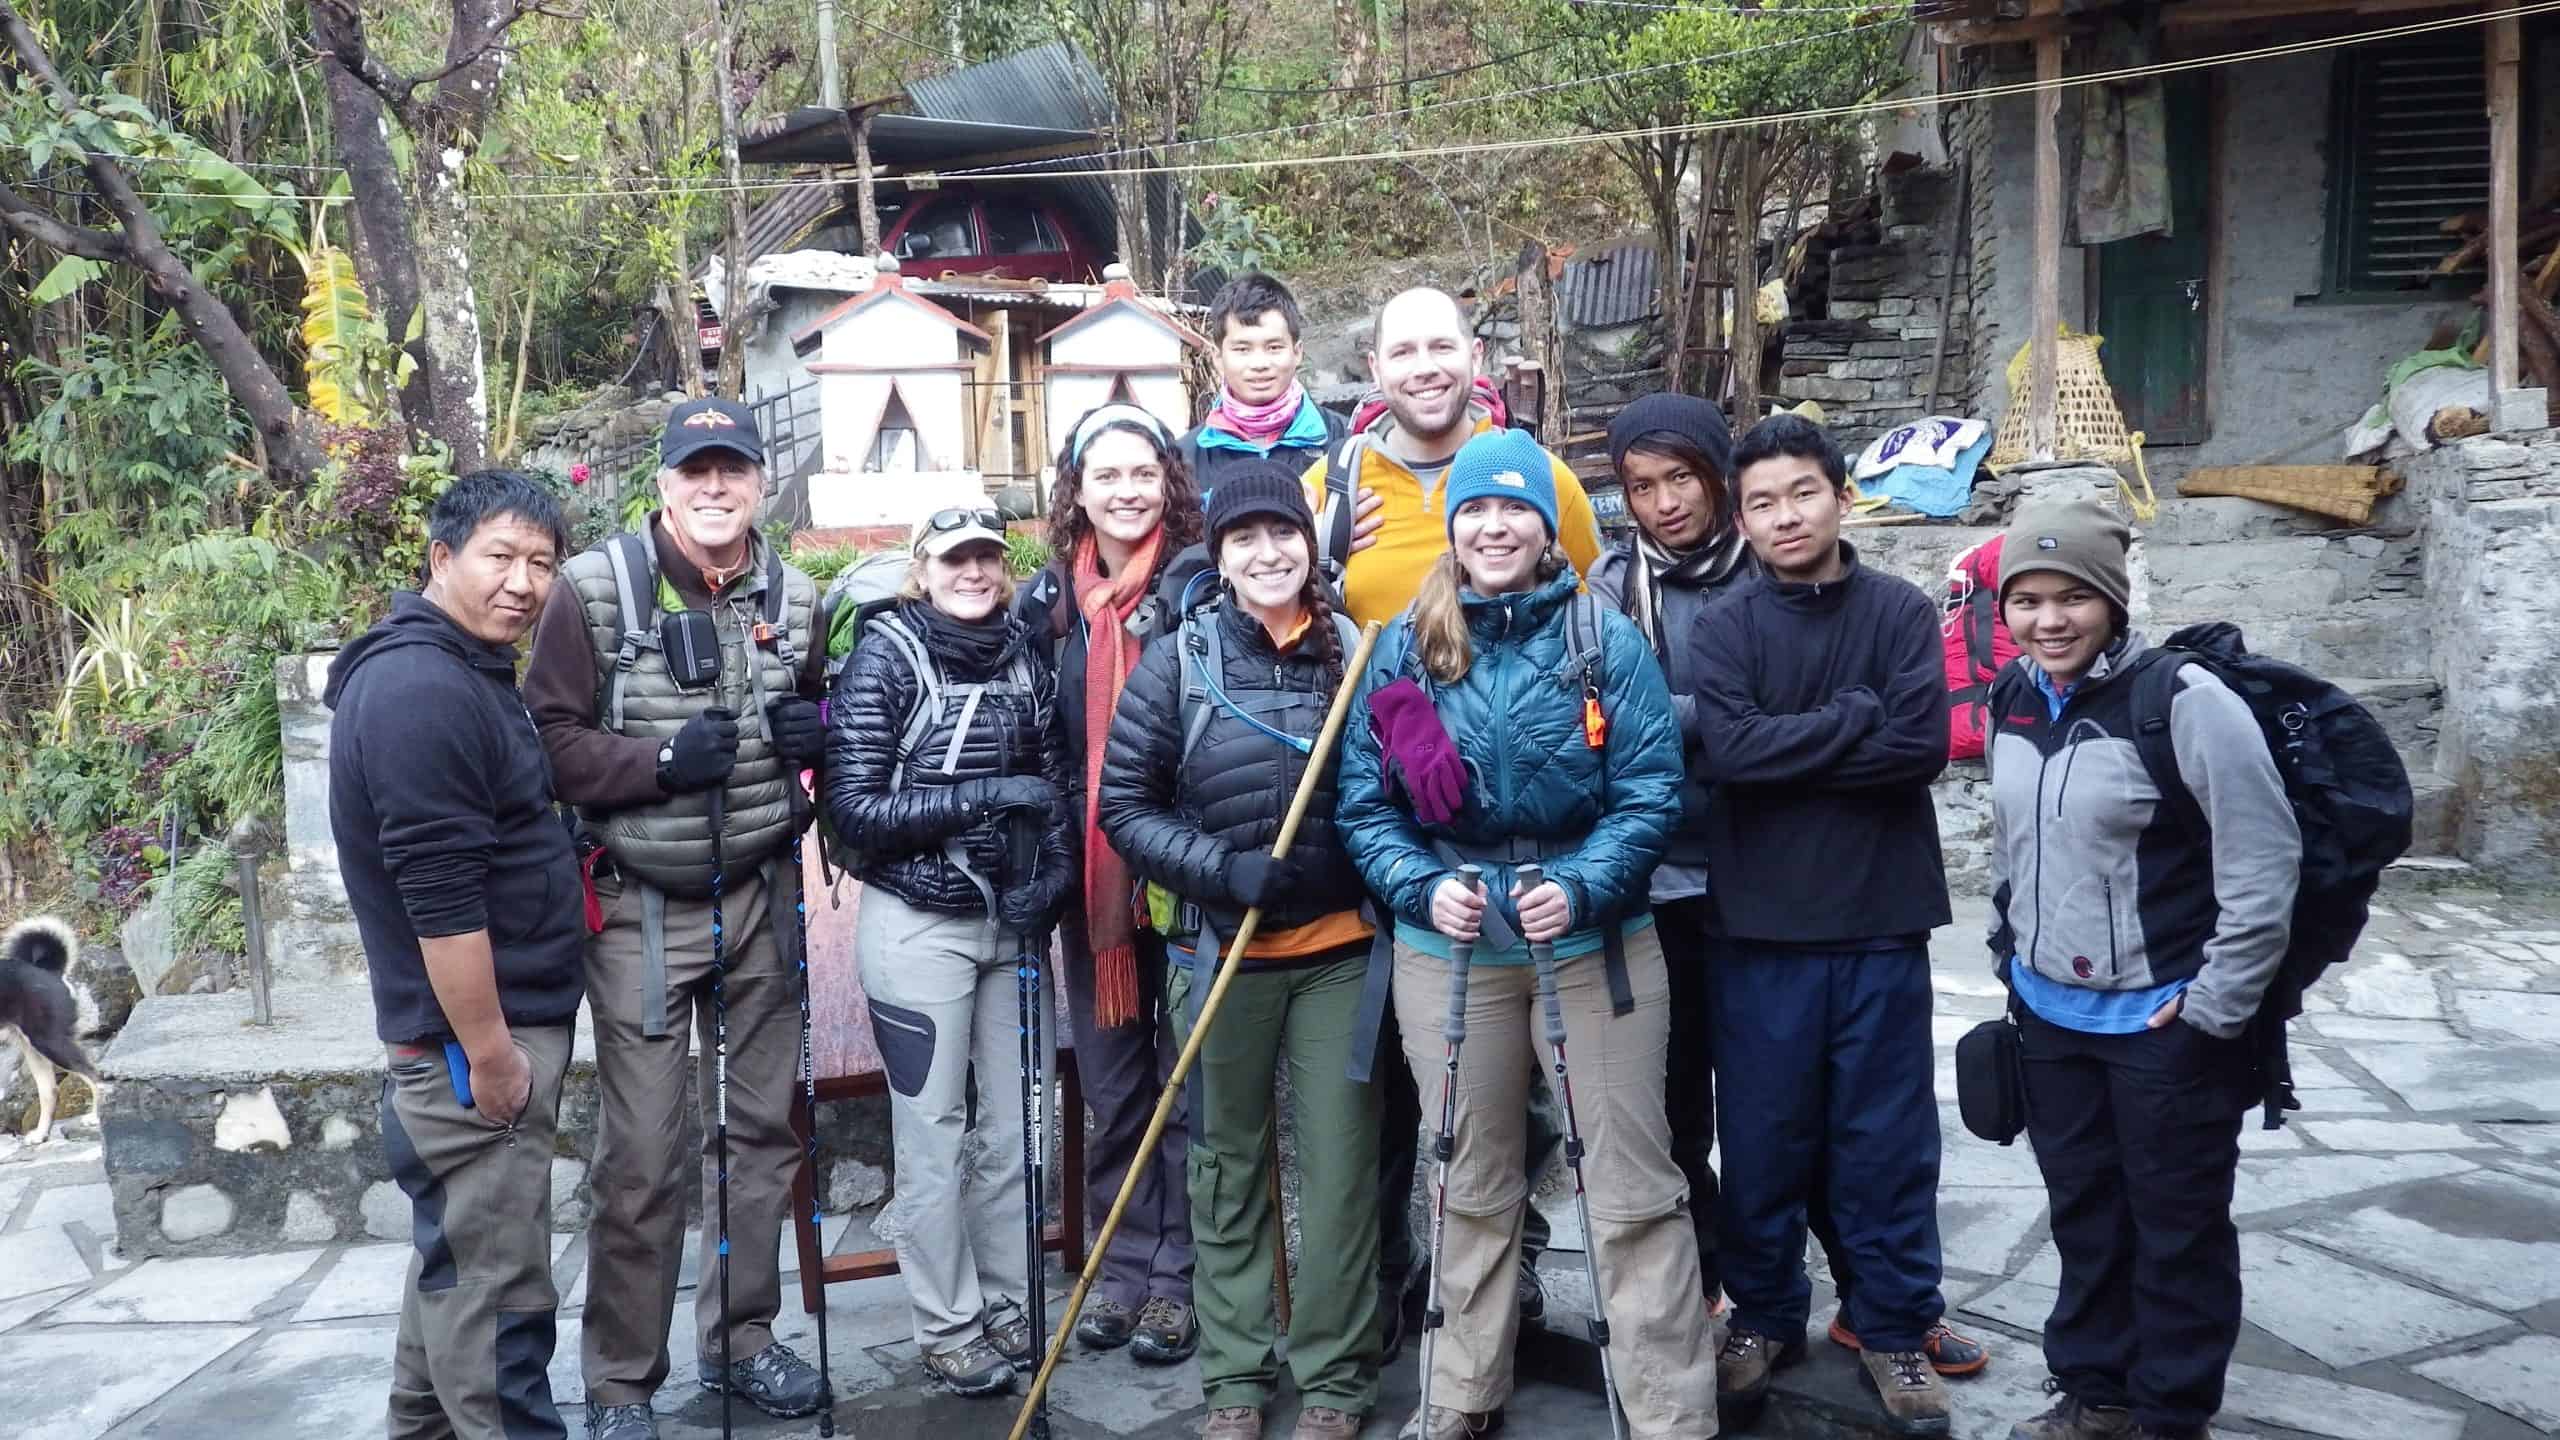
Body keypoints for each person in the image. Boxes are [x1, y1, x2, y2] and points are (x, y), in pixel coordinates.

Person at [1338, 427, 1716, 1440]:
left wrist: (1586, 883)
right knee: (1466, 1177)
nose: (1495, 525)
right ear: (1451, 525)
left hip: (1595, 945)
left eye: (1515, 508)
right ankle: (1461, 1392)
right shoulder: (1405, 647)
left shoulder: (1601, 639)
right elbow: (1368, 811)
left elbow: (1647, 793)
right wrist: (1420, 888)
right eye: (1475, 508)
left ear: (1547, 526)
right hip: (1453, 952)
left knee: (1633, 1186)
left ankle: (1670, 1411)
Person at [1302, 286, 1607, 1343]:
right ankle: (1395, 1274)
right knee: (1390, 1068)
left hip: (1515, 814)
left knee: (1506, 1078)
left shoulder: (1537, 475)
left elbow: (1588, 619)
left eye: (1442, 344)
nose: (1424, 365)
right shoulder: (1335, 480)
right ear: (1373, 367)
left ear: (1472, 356)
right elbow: (1288, 605)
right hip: (1375, 801)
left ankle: (1500, 1274)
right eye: (1402, 349)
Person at [524, 398, 830, 1439]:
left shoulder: (797, 596)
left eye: (732, 470)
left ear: (757, 481)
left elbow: (821, 721)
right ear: (661, 485)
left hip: (756, 893)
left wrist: (814, 734)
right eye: (694, 471)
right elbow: (548, 740)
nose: (714, 488)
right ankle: (620, 1383)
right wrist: (653, 765)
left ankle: (743, 1343)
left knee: (761, 1140)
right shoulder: (594, 592)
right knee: (644, 1154)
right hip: (638, 904)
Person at [1985, 498, 2298, 1440]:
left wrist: (2215, 1007)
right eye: (2028, 600)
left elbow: (2263, 859)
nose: (2049, 620)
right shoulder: (2012, 697)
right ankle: (2097, 1391)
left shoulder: (2185, 702)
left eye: (2072, 597)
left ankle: (2169, 1412)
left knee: (2177, 1228)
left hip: (2163, 1024)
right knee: (2084, 1213)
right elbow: (2012, 843)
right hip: (2051, 1018)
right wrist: (2010, 951)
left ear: (2113, 602)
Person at [1686, 413, 1956, 1438]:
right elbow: (1735, 756)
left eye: (1801, 492)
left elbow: (1919, 746)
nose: (1783, 515)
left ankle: (1891, 1326)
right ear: (1742, 520)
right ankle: (1761, 1317)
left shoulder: (1895, 612)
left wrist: (1791, 744)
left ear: (1839, 495)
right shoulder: (1725, 627)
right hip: (1756, 930)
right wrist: (1851, 718)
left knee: (1885, 1140)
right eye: (1760, 502)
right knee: (1761, 1138)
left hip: (1881, 921)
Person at [1098, 462, 1381, 1440]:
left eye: (1283, 534)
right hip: (1219, 956)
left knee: (1341, 1175)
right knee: (1224, 1170)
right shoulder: (1177, 662)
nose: (1268, 553)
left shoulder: (1354, 648)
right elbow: (1123, 807)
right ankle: (1234, 1379)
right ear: (1217, 556)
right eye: (1244, 538)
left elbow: (1395, 789)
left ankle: (1338, 1380)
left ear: (1311, 545)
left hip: (1341, 955)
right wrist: (1221, 868)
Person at [327, 470, 585, 1440]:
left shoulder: (466, 669)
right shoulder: (419, 690)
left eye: (541, 563)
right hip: (467, 1052)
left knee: (457, 1276)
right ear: (442, 559)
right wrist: (489, 1052)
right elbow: (440, 901)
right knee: (502, 1309)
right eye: (499, 557)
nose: (522, 583)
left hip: (478, 1041)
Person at [823, 508, 1075, 1396]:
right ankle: (947, 1322)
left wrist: (1053, 876)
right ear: (922, 571)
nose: (973, 573)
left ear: (1005, 571)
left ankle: (1008, 1300)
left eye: (986, 560)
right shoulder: (884, 657)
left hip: (1010, 924)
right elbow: (851, 814)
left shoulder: (1024, 654)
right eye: (954, 560)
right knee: (932, 1133)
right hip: (916, 923)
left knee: (1015, 1125)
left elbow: (1055, 785)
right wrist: (977, 800)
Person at [1016, 402, 1208, 1363]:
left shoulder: (1200, 585)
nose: (1126, 492)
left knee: (1190, 1084)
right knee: (1114, 1081)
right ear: (1077, 490)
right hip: (1093, 888)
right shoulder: (1052, 605)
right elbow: (1043, 741)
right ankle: (1124, 1266)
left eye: (1143, 474)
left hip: (1183, 876)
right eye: (1107, 476)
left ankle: (1180, 1280)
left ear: (1168, 481)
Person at [1585, 392, 1752, 1315]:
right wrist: (1729, 722)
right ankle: (1708, 1281)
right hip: (1656, 878)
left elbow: (1770, 715)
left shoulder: (1764, 571)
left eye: (1681, 477)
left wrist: (1685, 722)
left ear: (1717, 476)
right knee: (1675, 1096)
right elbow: (1604, 725)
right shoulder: (1610, 590)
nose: (1664, 504)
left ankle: (1809, 1289)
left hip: (1762, 868)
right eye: (1642, 486)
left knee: (1771, 1098)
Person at [1181, 273, 1349, 499]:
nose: (1259, 364)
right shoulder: (1185, 459)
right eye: (1242, 349)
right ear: (1218, 358)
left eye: (1274, 347)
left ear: (1297, 352)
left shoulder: (1345, 442)